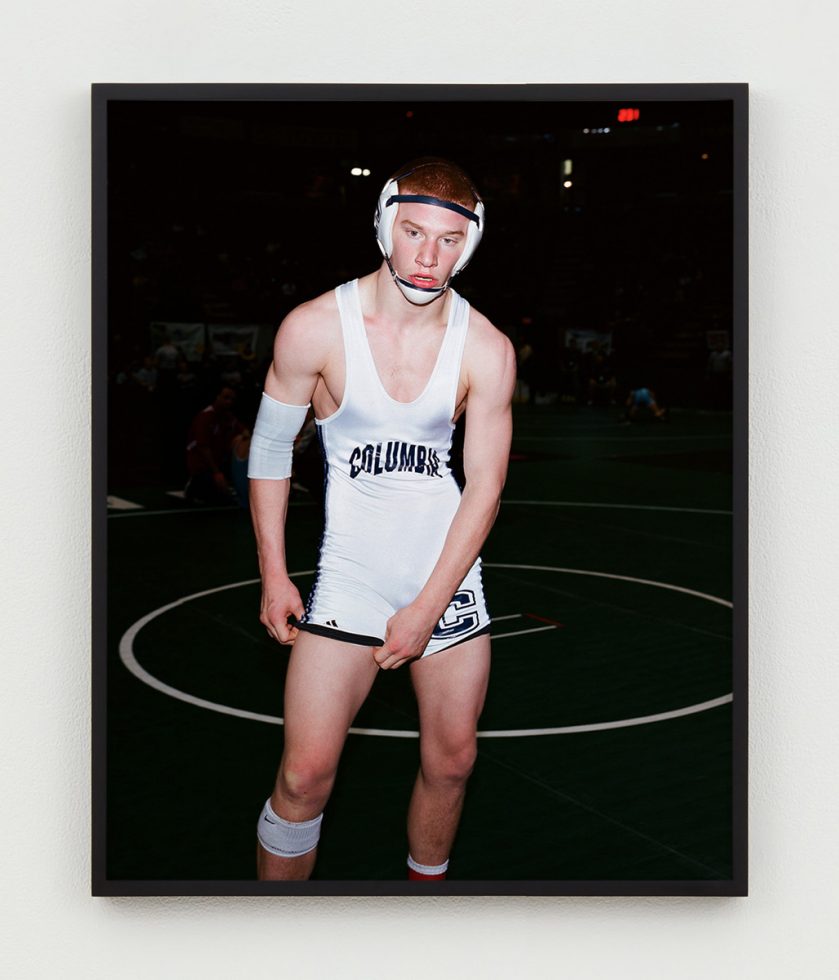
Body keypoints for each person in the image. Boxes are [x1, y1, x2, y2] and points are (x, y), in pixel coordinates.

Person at [248, 157, 515, 882]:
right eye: (413, 232)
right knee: (303, 776)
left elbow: (486, 487)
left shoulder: (486, 347)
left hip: (445, 576)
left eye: (449, 240)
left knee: (453, 763)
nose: (429, 257)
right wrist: (274, 574)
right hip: (352, 578)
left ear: (472, 243)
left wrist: (428, 607)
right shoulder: (313, 328)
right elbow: (270, 451)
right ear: (383, 225)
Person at [184, 385, 245, 503]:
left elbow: (244, 431)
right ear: (217, 397)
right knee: (212, 496)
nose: (229, 402)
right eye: (226, 398)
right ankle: (193, 484)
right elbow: (203, 447)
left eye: (232, 399)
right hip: (202, 464)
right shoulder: (205, 417)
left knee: (241, 440)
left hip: (220, 462)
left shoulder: (228, 417)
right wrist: (216, 472)